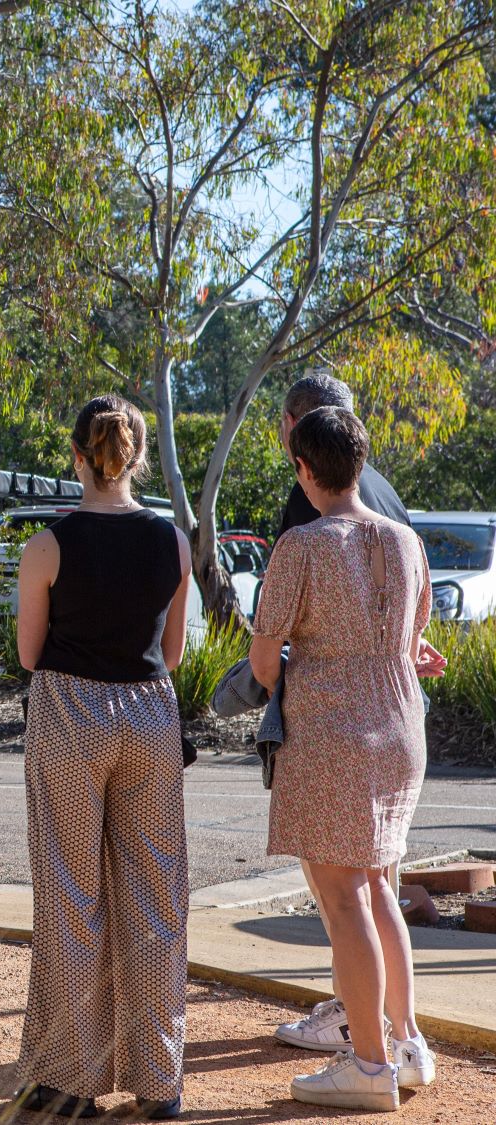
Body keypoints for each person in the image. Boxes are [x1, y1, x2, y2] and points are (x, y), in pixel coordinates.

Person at [250, 407, 439, 1111]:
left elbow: (266, 658)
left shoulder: (301, 544)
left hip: (334, 729)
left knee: (343, 893)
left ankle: (365, 1061)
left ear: (304, 469)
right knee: (378, 881)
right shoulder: (407, 541)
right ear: (359, 463)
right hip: (400, 722)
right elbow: (414, 638)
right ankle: (406, 1041)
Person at [12, 395, 193, 1121]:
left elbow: (30, 654)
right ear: (138, 455)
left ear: (79, 457)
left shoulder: (47, 546)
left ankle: (71, 1079)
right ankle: (159, 1077)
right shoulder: (172, 541)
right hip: (150, 711)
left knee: (69, 892)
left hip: (69, 713)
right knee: (155, 894)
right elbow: (173, 653)